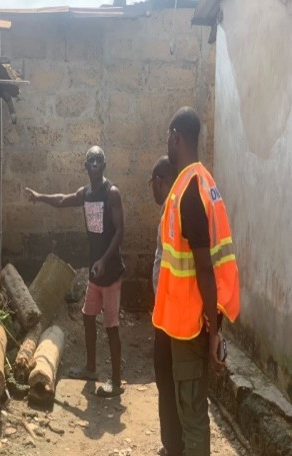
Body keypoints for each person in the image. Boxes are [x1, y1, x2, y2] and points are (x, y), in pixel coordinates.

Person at [153, 107, 240, 456]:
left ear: (176, 138)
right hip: (184, 321)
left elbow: (204, 267)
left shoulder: (188, 191)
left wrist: (213, 330)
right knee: (187, 408)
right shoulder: (204, 182)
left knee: (192, 415)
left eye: (168, 138)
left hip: (190, 324)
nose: (167, 144)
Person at [26, 146, 125, 397]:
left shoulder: (111, 193)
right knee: (88, 317)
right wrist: (39, 196)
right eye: (91, 161)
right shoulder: (86, 194)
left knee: (111, 326)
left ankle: (116, 381)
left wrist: (104, 260)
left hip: (111, 271)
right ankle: (91, 368)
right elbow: (63, 200)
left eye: (98, 161)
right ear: (85, 166)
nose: (95, 165)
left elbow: (120, 231)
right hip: (95, 271)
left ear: (104, 165)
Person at [149, 156, 183, 456]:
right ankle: (173, 443)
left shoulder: (174, 209)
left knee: (168, 376)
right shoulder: (171, 208)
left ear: (160, 181)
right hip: (169, 311)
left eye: (152, 183)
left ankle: (175, 445)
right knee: (168, 376)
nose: (152, 189)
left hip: (172, 313)